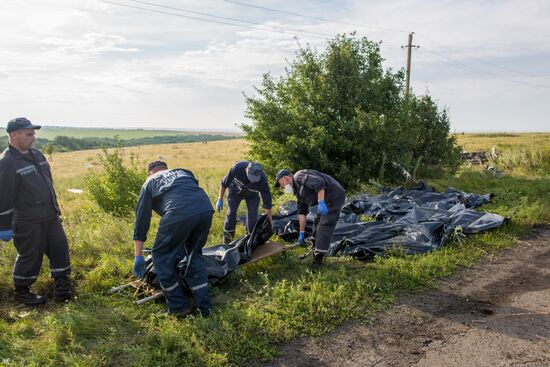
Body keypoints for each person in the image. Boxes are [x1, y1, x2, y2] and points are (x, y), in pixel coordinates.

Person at [0, 117, 72, 305]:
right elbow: (4, 196)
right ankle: (22, 293)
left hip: (50, 215)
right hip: (27, 220)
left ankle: (62, 288)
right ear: (14, 135)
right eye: (29, 134)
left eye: (34, 134)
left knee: (60, 248)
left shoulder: (37, 154)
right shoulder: (7, 163)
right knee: (30, 255)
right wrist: (4, 225)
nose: (34, 137)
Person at [132, 161, 214, 317]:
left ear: (150, 173)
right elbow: (190, 192)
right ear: (166, 169)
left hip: (178, 212)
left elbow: (141, 221)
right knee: (194, 255)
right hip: (205, 208)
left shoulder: (149, 182)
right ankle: (205, 307)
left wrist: (138, 255)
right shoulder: (184, 171)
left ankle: (178, 308)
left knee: (161, 257)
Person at [275, 168, 346, 272]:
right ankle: (314, 249)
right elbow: (302, 213)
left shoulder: (299, 176)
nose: (281, 187)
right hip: (325, 200)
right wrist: (302, 233)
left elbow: (319, 184)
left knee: (324, 226)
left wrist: (321, 202)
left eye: (280, 183)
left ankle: (318, 260)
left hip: (334, 196)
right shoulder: (297, 191)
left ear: (285, 178)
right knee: (317, 222)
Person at [216, 161, 272, 244]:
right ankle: (227, 240)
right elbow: (224, 184)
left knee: (252, 215)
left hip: (252, 195)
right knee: (231, 213)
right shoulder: (237, 168)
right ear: (246, 170)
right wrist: (219, 199)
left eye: (254, 179)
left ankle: (250, 240)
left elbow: (267, 205)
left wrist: (269, 224)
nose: (252, 181)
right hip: (235, 191)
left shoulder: (262, 180)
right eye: (251, 177)